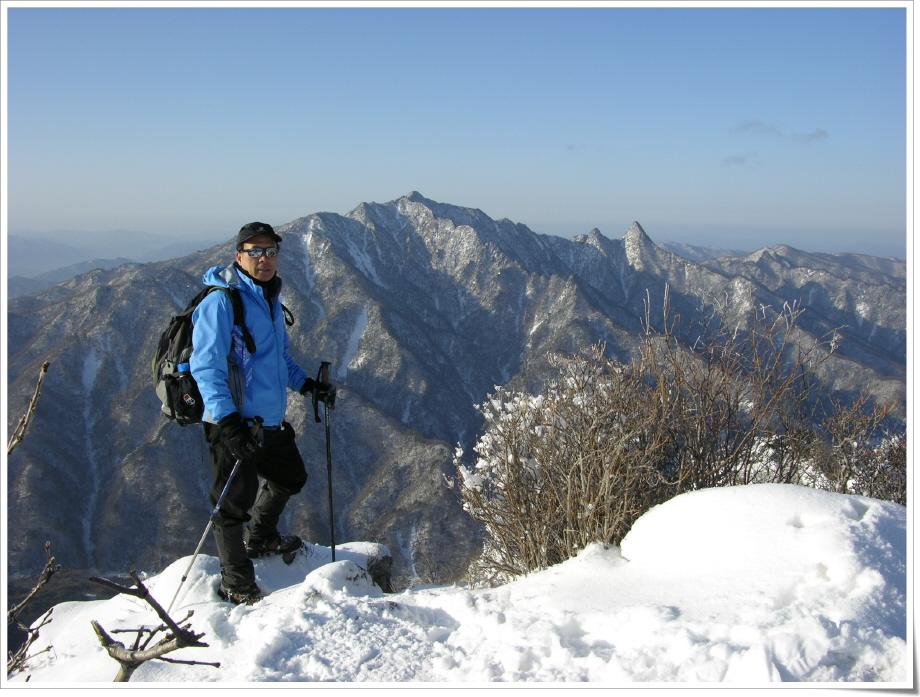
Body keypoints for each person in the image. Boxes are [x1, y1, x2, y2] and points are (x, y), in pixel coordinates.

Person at [190, 221, 334, 605]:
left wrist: (307, 385)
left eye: (271, 251)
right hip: (234, 424)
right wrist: (228, 422)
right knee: (232, 503)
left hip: (268, 420)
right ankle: (237, 582)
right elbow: (206, 367)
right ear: (238, 256)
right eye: (255, 252)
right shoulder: (222, 302)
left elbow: (277, 360)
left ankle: (261, 537)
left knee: (290, 476)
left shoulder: (269, 298)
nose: (265, 259)